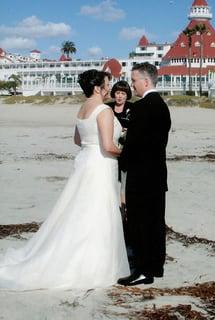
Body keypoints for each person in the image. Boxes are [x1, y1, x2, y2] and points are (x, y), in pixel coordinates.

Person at [0, 69, 130, 290]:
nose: (109, 87)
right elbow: (108, 147)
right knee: (98, 211)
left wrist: (92, 145)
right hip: (100, 165)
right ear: (98, 87)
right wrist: (127, 151)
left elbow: (77, 140)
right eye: (107, 84)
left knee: (79, 209)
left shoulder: (82, 109)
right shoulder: (104, 111)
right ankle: (93, 264)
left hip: (85, 161)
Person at [118, 62, 171, 286]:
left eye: (134, 81)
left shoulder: (141, 107)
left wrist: (120, 161)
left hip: (141, 177)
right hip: (157, 175)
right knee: (156, 222)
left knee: (139, 223)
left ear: (146, 81)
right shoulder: (162, 106)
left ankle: (142, 270)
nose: (133, 85)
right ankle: (155, 266)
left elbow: (134, 145)